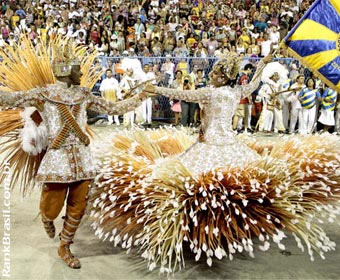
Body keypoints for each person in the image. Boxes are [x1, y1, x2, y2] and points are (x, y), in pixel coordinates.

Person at [90, 52, 340, 273]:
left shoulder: (210, 92)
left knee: (199, 188)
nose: (213, 74)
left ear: (224, 77)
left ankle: (203, 230)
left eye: (217, 72)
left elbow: (181, 94)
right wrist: (263, 63)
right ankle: (231, 229)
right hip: (233, 147)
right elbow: (253, 85)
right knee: (235, 189)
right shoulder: (235, 91)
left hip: (208, 146)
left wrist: (155, 90)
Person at [0, 38, 148, 269]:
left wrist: (140, 97)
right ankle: (48, 219)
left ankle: (65, 245)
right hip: (57, 159)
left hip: (83, 158)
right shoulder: (43, 94)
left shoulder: (85, 94)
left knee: (78, 206)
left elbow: (114, 108)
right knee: (51, 207)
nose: (82, 73)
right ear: (65, 70)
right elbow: (10, 100)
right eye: (78, 68)